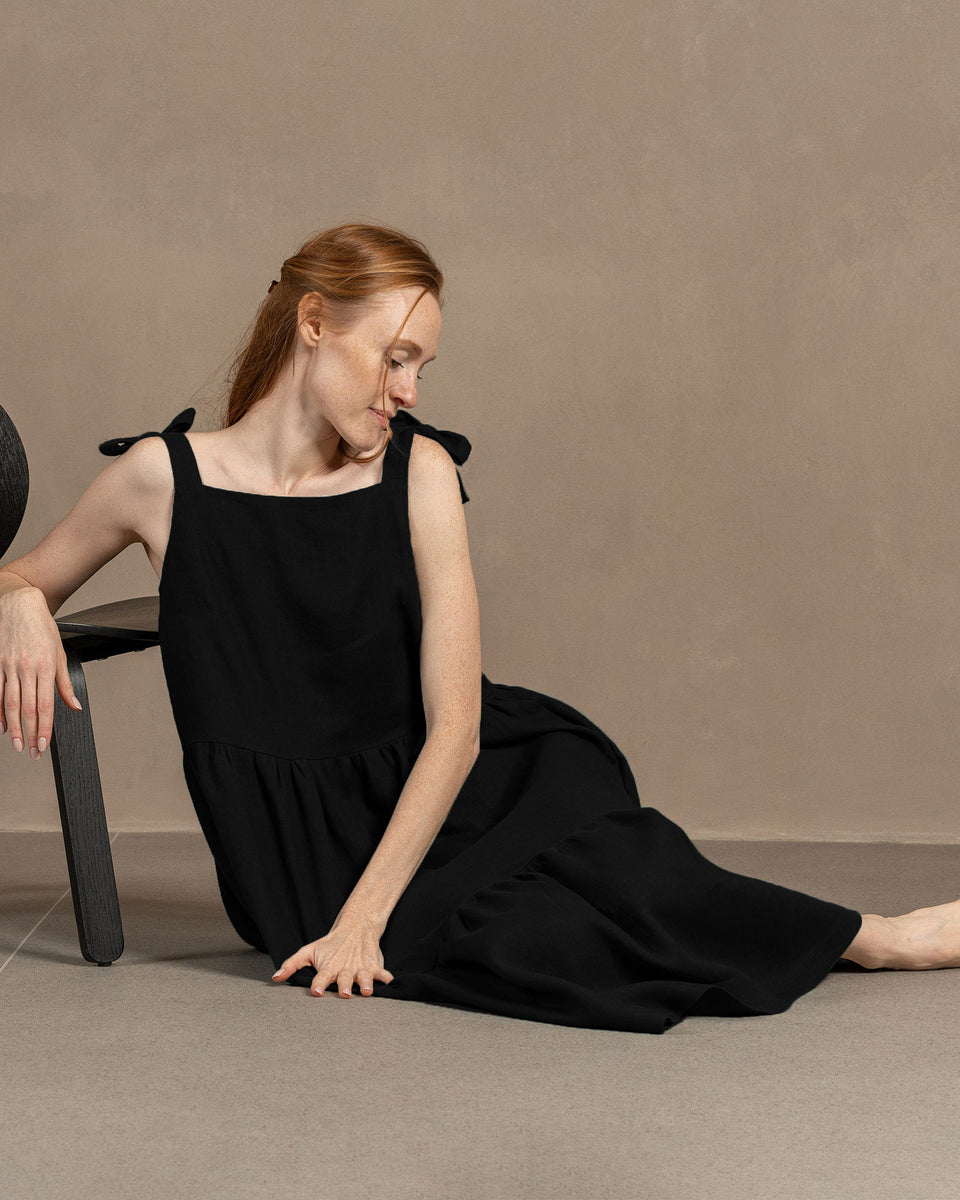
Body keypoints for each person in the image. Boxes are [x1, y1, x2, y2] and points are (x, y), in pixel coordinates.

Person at [1, 221, 958, 1034]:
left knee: (610, 892)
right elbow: (22, 573)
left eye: (421, 366)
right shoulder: (160, 479)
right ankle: (862, 936)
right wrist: (21, 603)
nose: (409, 389)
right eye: (396, 356)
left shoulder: (417, 474)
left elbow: (456, 727)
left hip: (465, 784)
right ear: (314, 323)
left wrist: (365, 921)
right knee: (538, 947)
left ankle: (879, 937)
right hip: (293, 854)